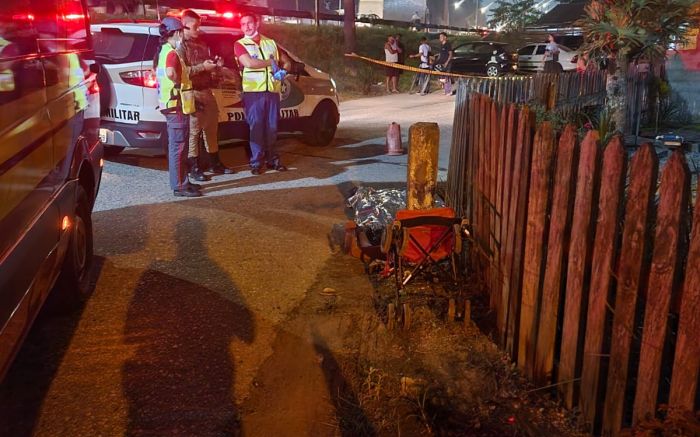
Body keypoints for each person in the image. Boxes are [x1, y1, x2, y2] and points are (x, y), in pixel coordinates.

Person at [181, 9, 234, 181]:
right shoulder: (180, 46)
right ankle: (193, 166)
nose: (198, 29)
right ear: (185, 26)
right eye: (195, 26)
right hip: (192, 93)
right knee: (194, 132)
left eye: (199, 25)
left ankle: (214, 162)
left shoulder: (201, 44)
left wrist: (215, 66)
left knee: (212, 128)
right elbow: (183, 72)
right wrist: (204, 67)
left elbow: (207, 69)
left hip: (206, 91)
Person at [234, 13, 290, 175]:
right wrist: (272, 63)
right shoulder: (240, 44)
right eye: (243, 24)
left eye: (249, 23)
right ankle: (256, 162)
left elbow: (287, 62)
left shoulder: (270, 43)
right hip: (253, 93)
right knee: (256, 128)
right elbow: (249, 63)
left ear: (256, 23)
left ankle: (273, 160)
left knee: (272, 128)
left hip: (272, 91)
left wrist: (283, 71)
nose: (247, 26)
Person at [154, 17, 205, 197]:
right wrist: (177, 81)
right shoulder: (171, 52)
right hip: (176, 105)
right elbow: (170, 73)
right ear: (176, 33)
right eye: (182, 31)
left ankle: (183, 181)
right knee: (179, 147)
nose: (183, 35)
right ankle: (179, 186)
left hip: (174, 105)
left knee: (179, 146)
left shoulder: (165, 50)